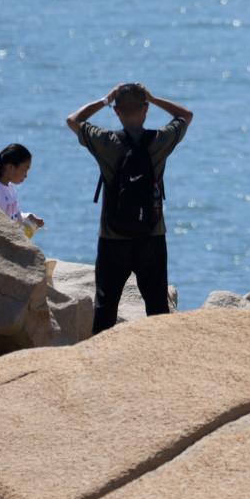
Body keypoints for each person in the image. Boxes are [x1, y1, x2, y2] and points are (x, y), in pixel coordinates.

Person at [66, 83, 192, 334]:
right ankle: (161, 353)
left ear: (117, 112)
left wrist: (105, 100)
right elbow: (185, 115)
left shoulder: (106, 142)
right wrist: (153, 98)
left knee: (106, 307)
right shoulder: (159, 141)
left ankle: (100, 355)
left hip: (112, 237)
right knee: (157, 307)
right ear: (145, 110)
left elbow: (73, 120)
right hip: (152, 235)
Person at [0, 143, 45, 239]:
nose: (26, 175)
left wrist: (28, 217)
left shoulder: (10, 187)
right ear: (10, 167)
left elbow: (12, 217)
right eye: (24, 170)